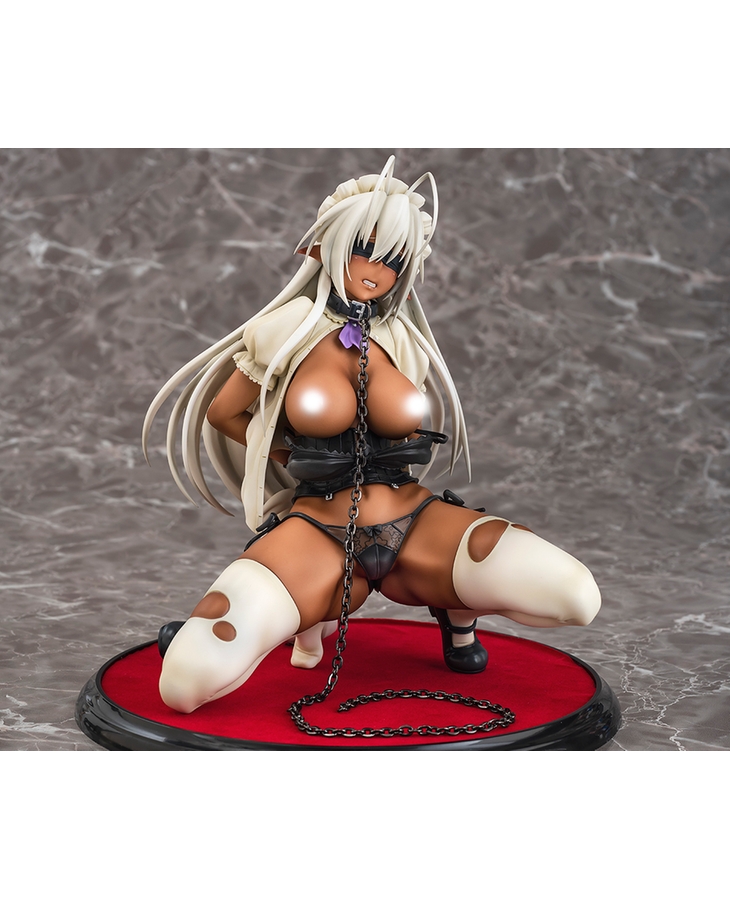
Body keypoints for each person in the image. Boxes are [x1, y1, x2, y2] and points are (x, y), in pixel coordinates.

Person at [143, 156, 601, 715]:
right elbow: (224, 413)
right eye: (364, 249)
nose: (375, 270)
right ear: (324, 247)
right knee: (187, 679)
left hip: (416, 521)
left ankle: (456, 616)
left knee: (575, 594)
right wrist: (283, 453)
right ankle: (279, 623)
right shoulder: (283, 331)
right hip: (320, 530)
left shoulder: (399, 338)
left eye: (393, 260)